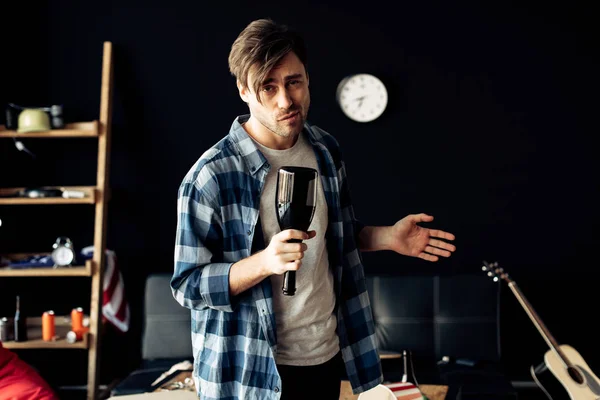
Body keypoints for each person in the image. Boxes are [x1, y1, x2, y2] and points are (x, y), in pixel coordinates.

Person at [171, 18, 456, 400]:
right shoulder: (211, 176)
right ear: (243, 90)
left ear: (307, 78)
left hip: (324, 357)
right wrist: (265, 262)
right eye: (267, 88)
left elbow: (335, 234)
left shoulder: (324, 149)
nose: (285, 101)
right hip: (250, 372)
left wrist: (387, 237)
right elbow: (187, 285)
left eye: (293, 82)